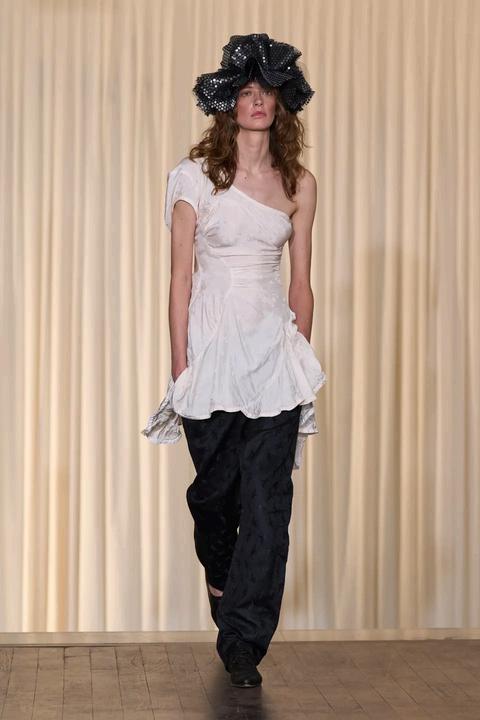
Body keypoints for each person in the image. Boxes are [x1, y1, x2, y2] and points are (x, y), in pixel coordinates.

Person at [141, 33, 327, 688]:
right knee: (216, 498)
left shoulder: (299, 183)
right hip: (213, 355)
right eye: (246, 92)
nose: (257, 102)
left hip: (274, 356)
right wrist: (180, 366)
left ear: (281, 104)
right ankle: (221, 580)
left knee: (269, 505)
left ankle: (244, 640)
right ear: (228, 104)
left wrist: (299, 354)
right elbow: (180, 279)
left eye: (266, 92)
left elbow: (301, 282)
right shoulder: (194, 177)